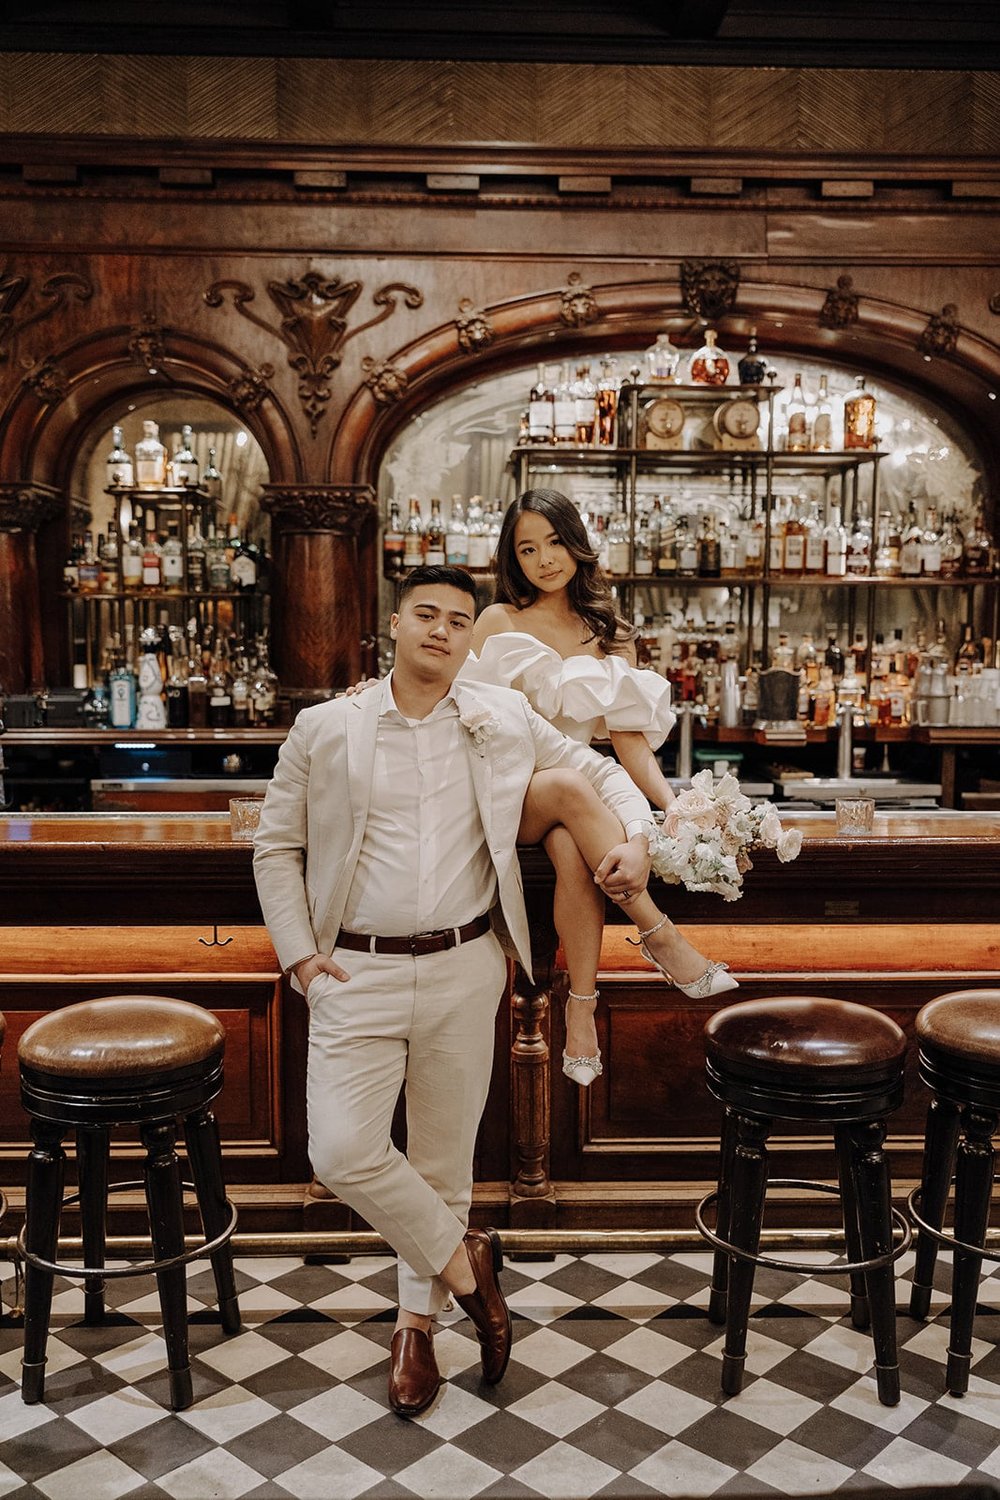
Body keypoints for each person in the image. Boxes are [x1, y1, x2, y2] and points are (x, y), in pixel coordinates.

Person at [252, 565, 657, 1419]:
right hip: (351, 971)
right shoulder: (326, 726)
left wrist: (643, 837)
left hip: (467, 965)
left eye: (458, 620)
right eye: (425, 614)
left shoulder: (500, 716)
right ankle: (470, 1266)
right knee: (341, 1153)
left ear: (472, 639)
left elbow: (600, 773)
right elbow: (274, 847)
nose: (441, 629)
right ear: (393, 626)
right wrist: (297, 956)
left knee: (442, 1164)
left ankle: (416, 1329)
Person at [465, 487, 737, 1078]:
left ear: (577, 543)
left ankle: (581, 1011)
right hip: (508, 784)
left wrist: (674, 805)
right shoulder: (497, 620)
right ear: (513, 558)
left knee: (570, 845)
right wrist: (373, 691)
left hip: (579, 792)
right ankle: (657, 932)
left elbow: (629, 739)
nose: (544, 559)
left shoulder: (607, 629)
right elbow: (443, 687)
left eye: (555, 542)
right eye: (527, 548)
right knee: (567, 786)